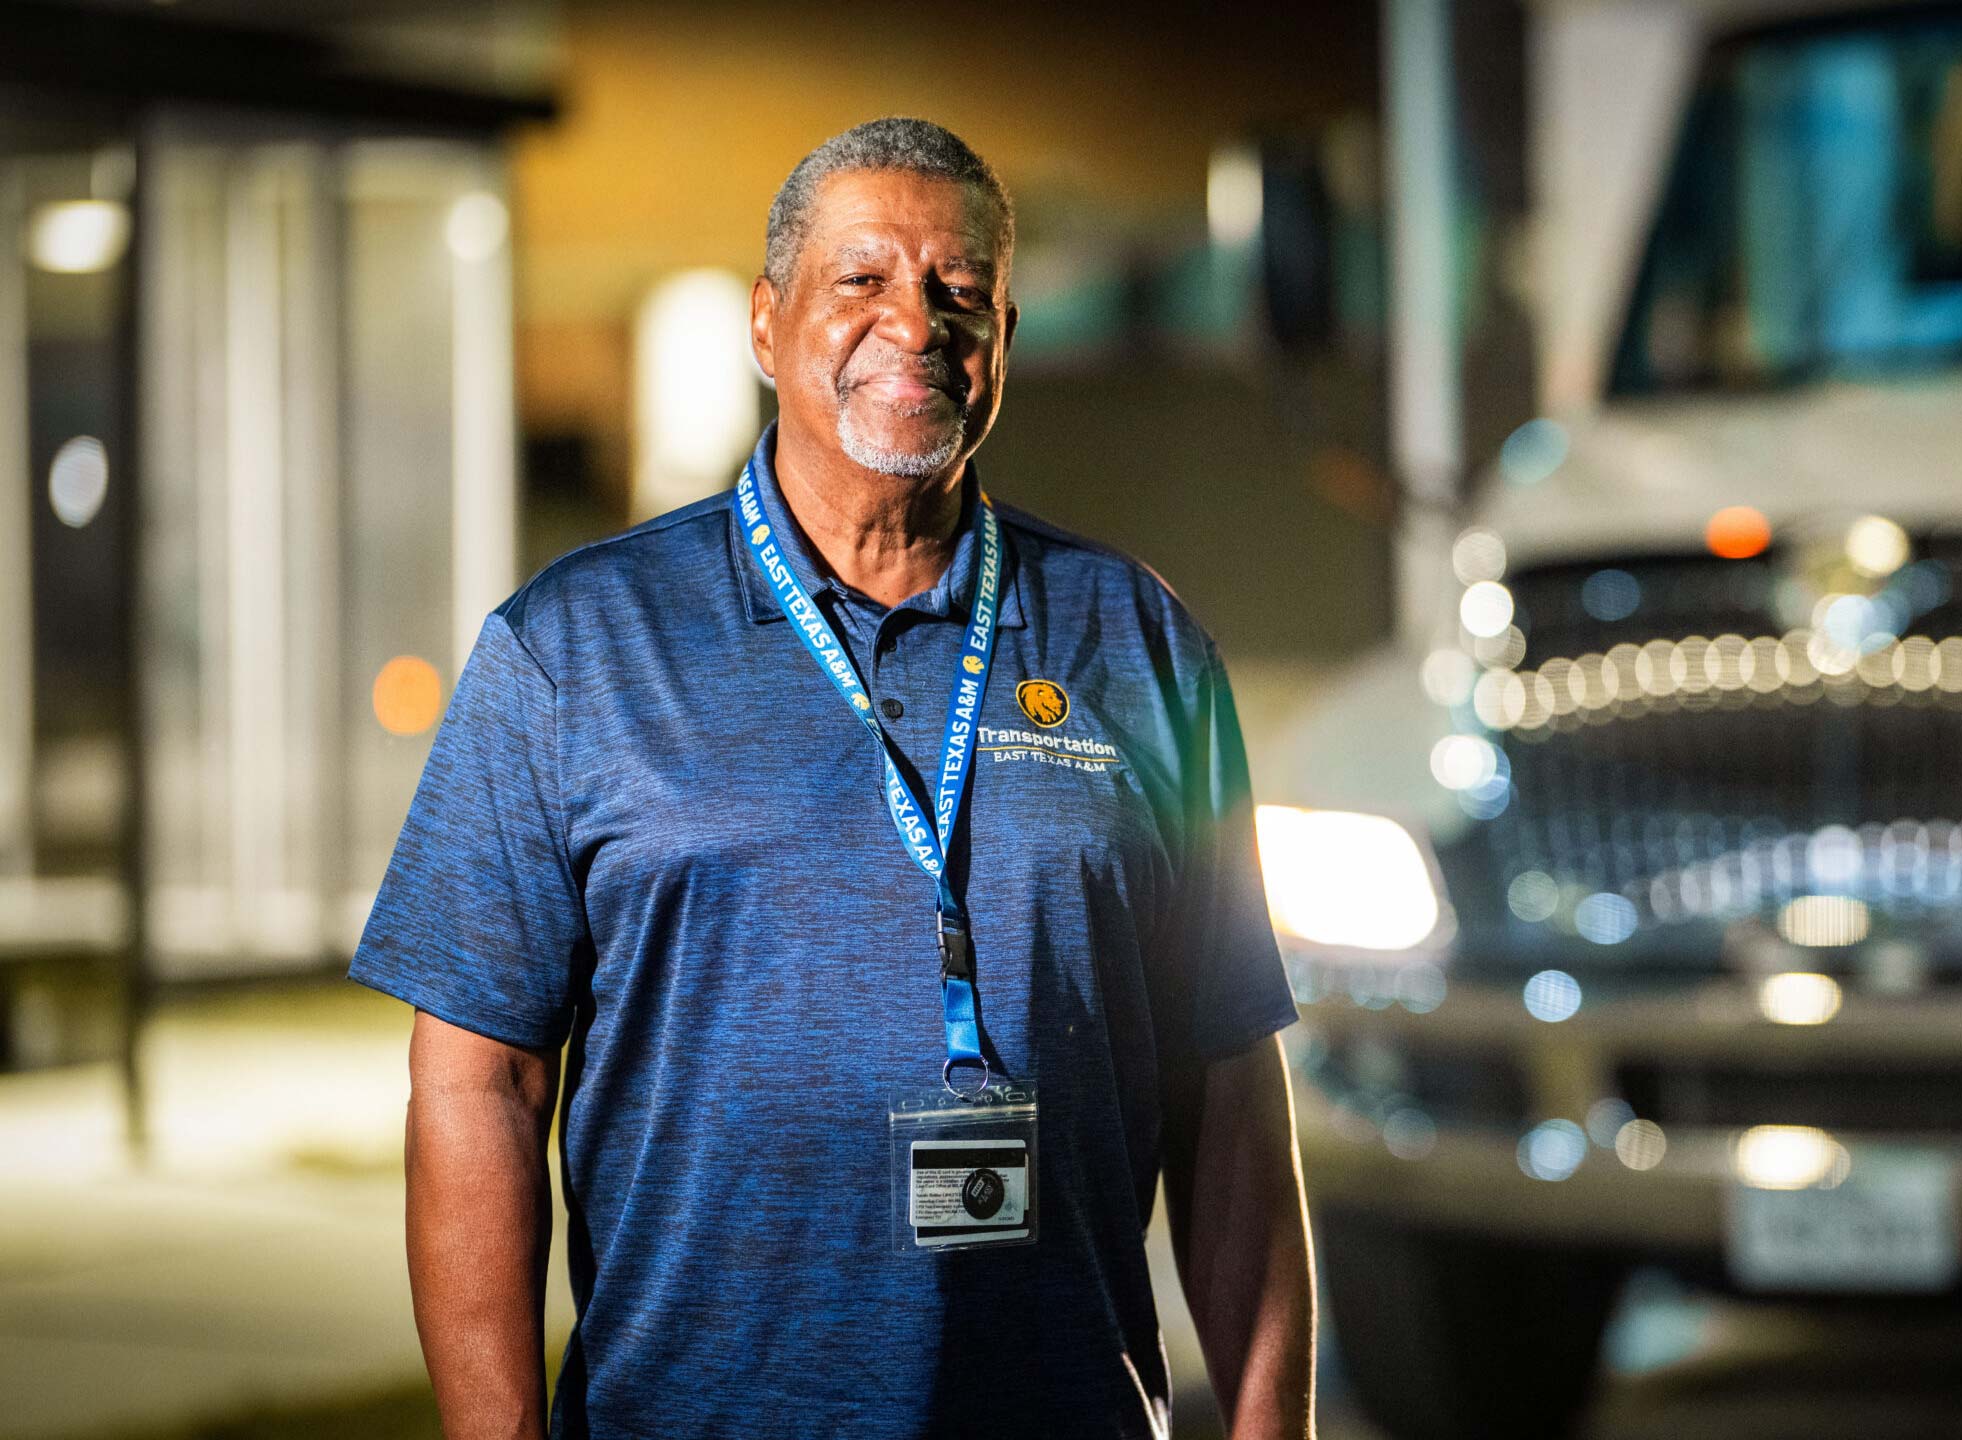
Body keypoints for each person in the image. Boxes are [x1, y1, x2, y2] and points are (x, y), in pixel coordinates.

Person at [351, 117, 1316, 1440]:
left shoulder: (1136, 639)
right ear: (767, 323)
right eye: (861, 281)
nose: (914, 324)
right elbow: (476, 1084)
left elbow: (1230, 1087)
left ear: (1004, 343)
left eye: (957, 291)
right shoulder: (574, 647)